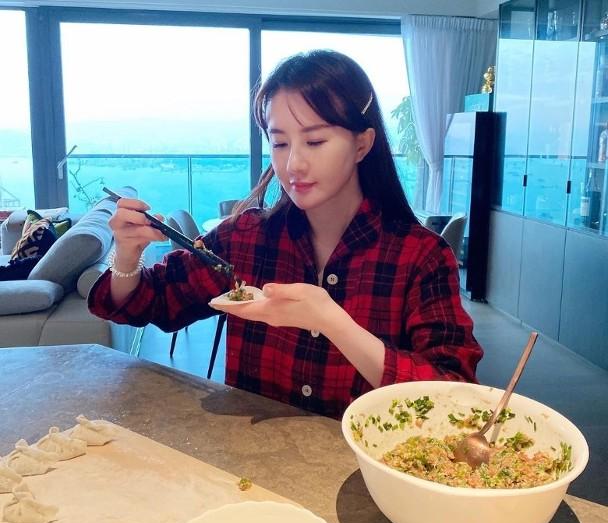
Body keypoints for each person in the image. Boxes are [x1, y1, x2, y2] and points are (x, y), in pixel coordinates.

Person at [88, 49, 483, 419]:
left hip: (362, 465)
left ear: (362, 144)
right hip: (254, 463)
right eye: (279, 143)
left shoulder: (419, 256)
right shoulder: (246, 238)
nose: (293, 163)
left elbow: (454, 398)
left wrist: (334, 323)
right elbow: (148, 302)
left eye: (315, 141)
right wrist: (127, 254)